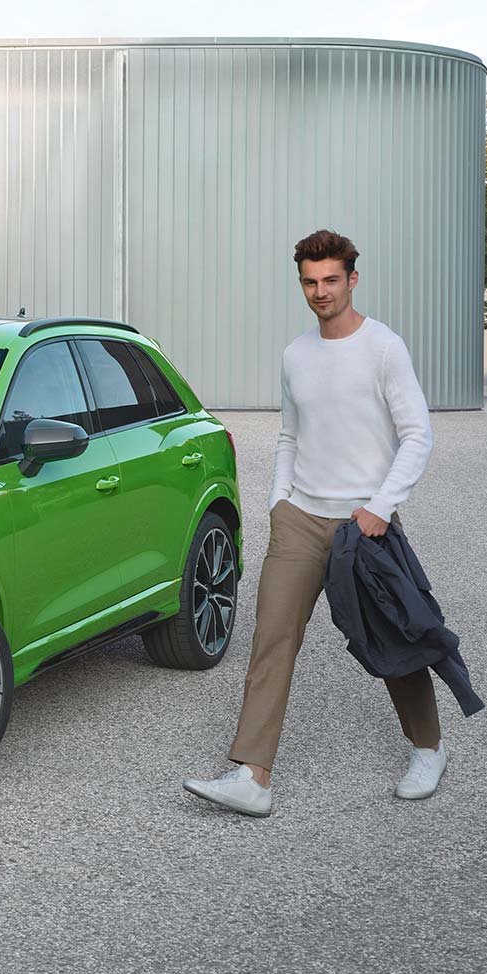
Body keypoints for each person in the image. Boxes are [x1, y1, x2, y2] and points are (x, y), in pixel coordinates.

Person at [183, 229, 443, 818]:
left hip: (364, 525)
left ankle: (428, 749)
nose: (320, 291)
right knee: (271, 639)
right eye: (309, 282)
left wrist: (379, 507)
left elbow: (417, 435)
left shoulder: (384, 348)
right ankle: (252, 775)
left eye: (330, 280)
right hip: (300, 519)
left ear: (352, 279)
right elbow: (290, 436)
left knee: (391, 636)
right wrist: (279, 501)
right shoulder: (296, 355)